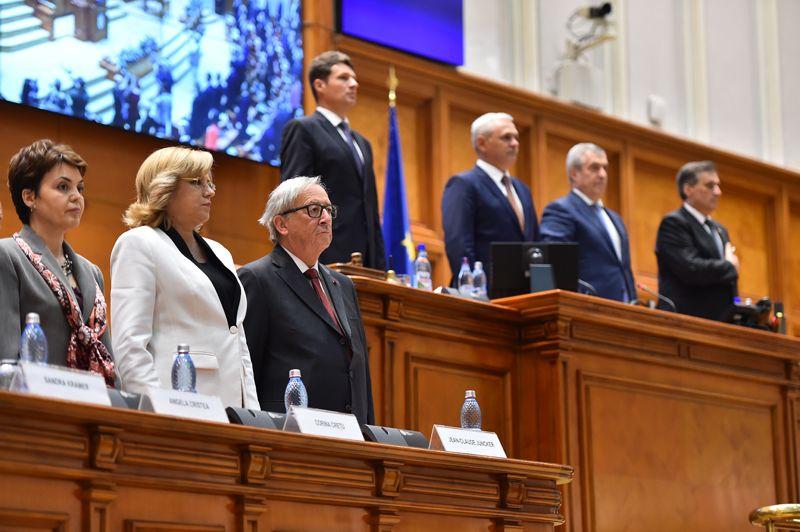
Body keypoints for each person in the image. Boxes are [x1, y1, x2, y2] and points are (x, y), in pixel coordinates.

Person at [110, 146, 259, 408]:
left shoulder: (221, 253)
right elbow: (129, 346)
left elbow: (239, 344)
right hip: (177, 404)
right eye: (197, 183)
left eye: (210, 182)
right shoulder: (138, 243)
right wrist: (157, 413)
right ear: (164, 188)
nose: (210, 191)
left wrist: (252, 417)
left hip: (233, 411)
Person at [238, 176, 374, 425]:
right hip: (290, 436)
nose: (326, 218)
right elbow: (246, 373)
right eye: (314, 210)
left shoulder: (343, 285)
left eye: (329, 210)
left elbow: (359, 371)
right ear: (281, 224)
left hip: (349, 436)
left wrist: (368, 435)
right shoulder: (257, 279)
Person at [0, 140, 114, 383]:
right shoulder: (7, 255)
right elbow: (6, 362)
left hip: (92, 407)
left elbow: (107, 357)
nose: (76, 197)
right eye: (63, 187)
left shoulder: (92, 272)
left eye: (80, 189)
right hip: (35, 411)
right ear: (30, 197)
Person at [279, 50, 385, 270]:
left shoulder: (362, 143)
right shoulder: (303, 129)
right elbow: (295, 199)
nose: (354, 84)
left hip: (366, 264)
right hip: (324, 258)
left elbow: (370, 211)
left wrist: (379, 265)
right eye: (344, 78)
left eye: (354, 78)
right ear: (320, 85)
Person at [441, 112, 539, 286]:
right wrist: (472, 288)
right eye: (506, 138)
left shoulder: (522, 190)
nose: (515, 143)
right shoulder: (464, 185)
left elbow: (535, 244)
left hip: (524, 294)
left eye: (516, 137)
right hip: (484, 294)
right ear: (481, 143)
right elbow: (459, 244)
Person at [540, 142, 635, 302]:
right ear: (574, 174)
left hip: (624, 308)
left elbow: (623, 269)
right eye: (594, 168)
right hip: (587, 307)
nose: (602, 174)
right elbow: (557, 265)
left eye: (605, 168)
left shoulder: (615, 218)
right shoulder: (561, 210)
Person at [655, 161, 739, 321]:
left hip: (722, 322)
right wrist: (728, 266)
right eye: (710, 186)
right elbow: (691, 268)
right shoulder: (674, 223)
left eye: (718, 186)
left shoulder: (720, 230)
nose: (718, 192)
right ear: (688, 189)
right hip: (687, 320)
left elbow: (729, 282)